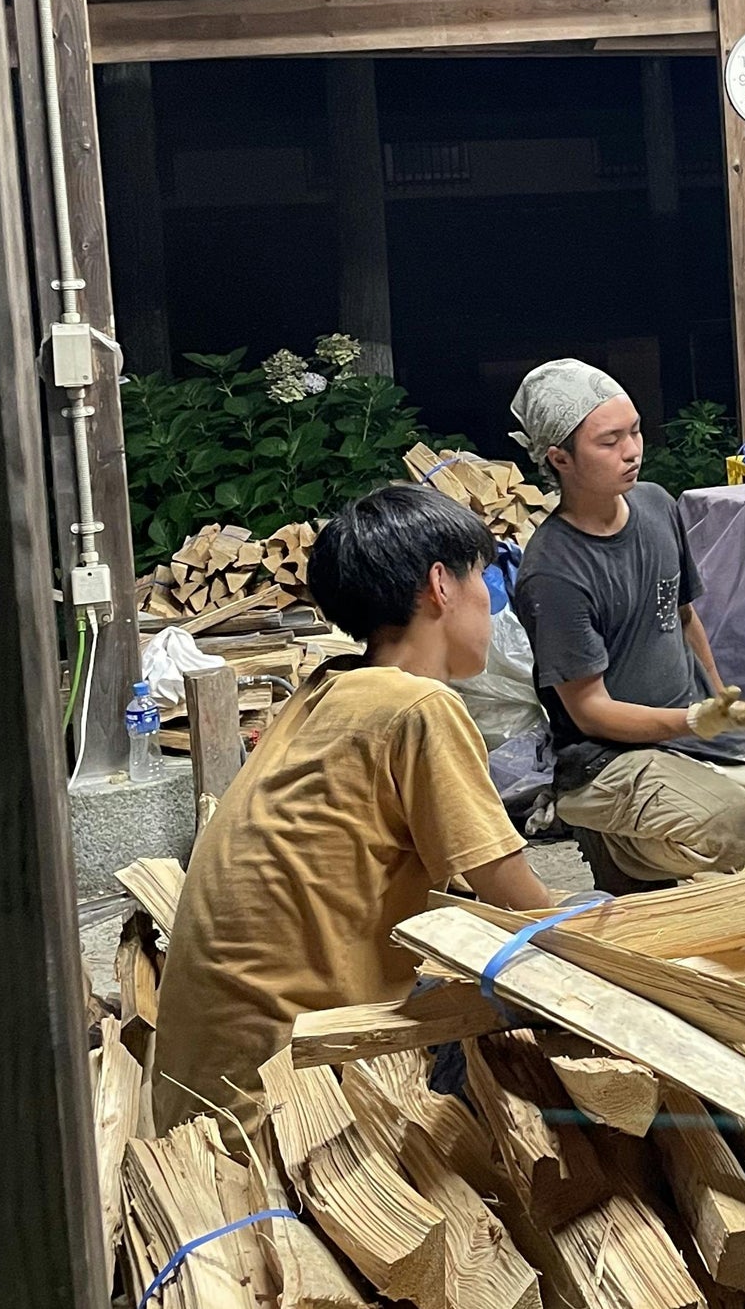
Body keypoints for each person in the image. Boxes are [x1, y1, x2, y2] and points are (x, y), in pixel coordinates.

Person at [152, 485, 555, 1136]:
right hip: (286, 1109)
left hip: (203, 1093)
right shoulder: (418, 707)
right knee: (540, 1001)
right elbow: (523, 907)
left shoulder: (327, 687)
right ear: (440, 586)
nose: (491, 601)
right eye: (481, 578)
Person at [509, 359, 745, 901]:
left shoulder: (655, 504)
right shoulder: (553, 571)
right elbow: (590, 710)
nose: (632, 451)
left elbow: (683, 616)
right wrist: (689, 721)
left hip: (697, 740)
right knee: (731, 825)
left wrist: (721, 705)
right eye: (610, 441)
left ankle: (690, 843)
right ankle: (619, 847)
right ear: (559, 458)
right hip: (608, 761)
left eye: (635, 431)